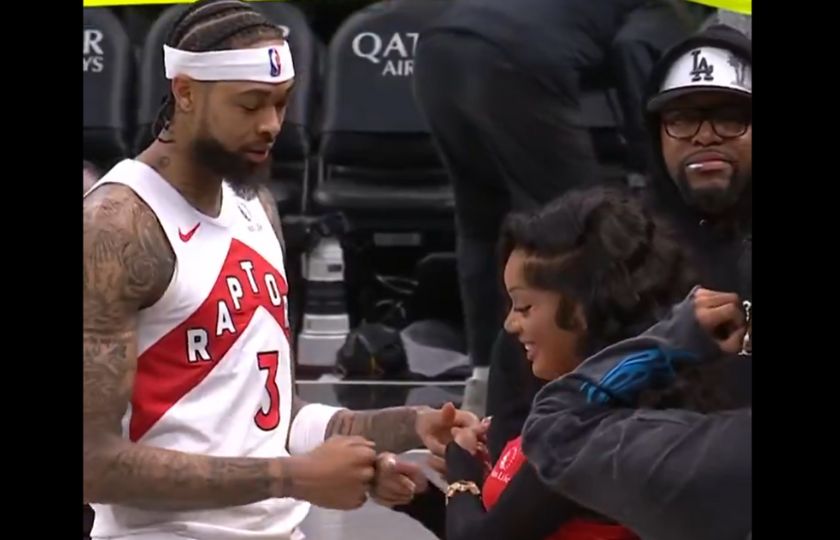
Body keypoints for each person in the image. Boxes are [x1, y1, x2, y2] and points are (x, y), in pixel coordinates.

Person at [82, 2, 476, 539]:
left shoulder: (256, 205)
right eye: (249, 105)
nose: (270, 126)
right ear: (186, 92)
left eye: (281, 104)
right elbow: (93, 465)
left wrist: (405, 428)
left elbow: (274, 419)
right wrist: (293, 478)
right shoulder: (117, 227)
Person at [412, 0, 705, 415]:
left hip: (437, 50)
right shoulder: (668, 9)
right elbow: (634, 48)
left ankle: (483, 381)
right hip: (515, 57)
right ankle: (598, 387)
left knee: (480, 223)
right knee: (587, 230)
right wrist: (656, 163)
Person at [484, 21, 753, 461]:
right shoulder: (608, 244)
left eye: (730, 116)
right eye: (681, 119)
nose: (705, 135)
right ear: (655, 133)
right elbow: (520, 401)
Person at [439, 187, 699, 540]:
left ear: (581, 309)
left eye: (524, 307)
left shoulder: (591, 436)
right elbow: (503, 524)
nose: (510, 325)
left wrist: (462, 472)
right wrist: (415, 494)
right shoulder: (576, 406)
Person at [522, 287, 751, 540]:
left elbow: (555, 431)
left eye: (524, 307)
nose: (511, 324)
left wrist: (674, 341)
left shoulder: (723, 459)